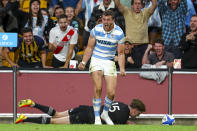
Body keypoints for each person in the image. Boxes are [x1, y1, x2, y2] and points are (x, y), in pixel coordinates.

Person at [78, 10, 126, 125]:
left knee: (111, 92)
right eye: (104, 19)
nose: (105, 22)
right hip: (96, 60)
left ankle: (105, 113)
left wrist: (122, 68)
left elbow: (121, 53)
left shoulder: (119, 33)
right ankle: (97, 118)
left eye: (108, 20)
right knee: (98, 88)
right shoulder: (96, 30)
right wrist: (84, 62)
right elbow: (89, 48)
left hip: (109, 61)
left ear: (113, 20)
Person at [15, 98, 146, 125]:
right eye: (138, 113)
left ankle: (33, 104)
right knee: (54, 122)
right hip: (86, 117)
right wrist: (127, 124)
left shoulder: (121, 103)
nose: (136, 116)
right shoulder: (124, 116)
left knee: (57, 114)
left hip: (85, 108)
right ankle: (25, 118)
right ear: (134, 109)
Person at [114, 0, 157, 68]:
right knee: (131, 68)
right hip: (131, 47)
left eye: (139, 4)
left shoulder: (145, 12)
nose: (137, 5)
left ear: (142, 5)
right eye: (135, 4)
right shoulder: (127, 11)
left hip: (144, 47)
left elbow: (154, 5)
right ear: (132, 6)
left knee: (144, 68)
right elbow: (117, 3)